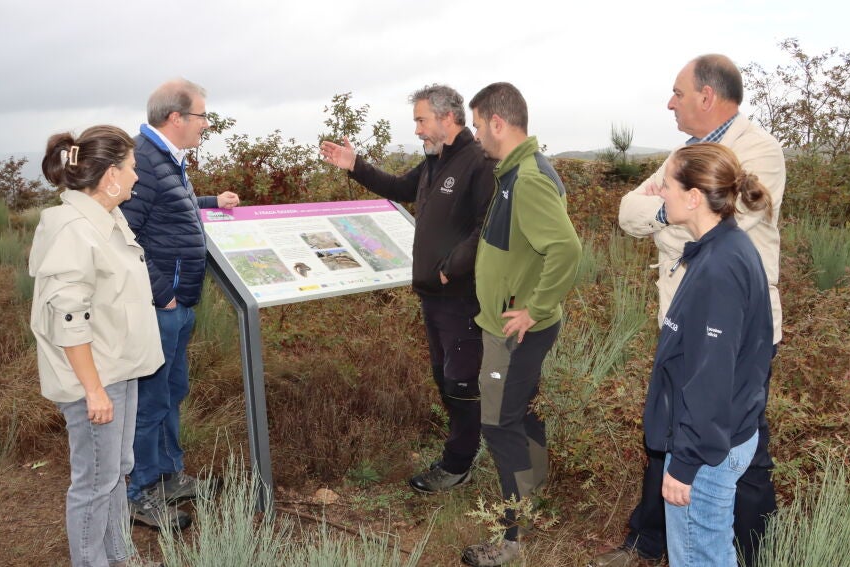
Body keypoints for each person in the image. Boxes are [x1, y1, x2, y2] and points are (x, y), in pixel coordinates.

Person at [591, 54, 784, 567]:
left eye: (678, 92)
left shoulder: (759, 150)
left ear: (707, 95)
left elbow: (729, 215)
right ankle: (655, 537)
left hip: (732, 326)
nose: (669, 102)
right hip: (686, 316)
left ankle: (748, 549)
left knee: (729, 444)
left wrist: (667, 209)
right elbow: (629, 214)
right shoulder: (687, 154)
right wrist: (664, 209)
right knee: (679, 435)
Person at [320, 85, 496, 493]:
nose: (417, 130)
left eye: (421, 120)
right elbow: (400, 188)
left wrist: (451, 270)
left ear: (448, 117)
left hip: (461, 296)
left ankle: (458, 464)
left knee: (461, 381)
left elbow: (485, 228)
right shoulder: (435, 161)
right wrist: (355, 165)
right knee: (445, 377)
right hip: (433, 296)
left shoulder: (478, 162)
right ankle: (464, 449)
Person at [30, 125, 165, 566]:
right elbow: (69, 318)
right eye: (130, 168)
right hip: (95, 378)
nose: (136, 177)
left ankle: (119, 556)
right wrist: (93, 390)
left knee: (116, 472)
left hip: (117, 366)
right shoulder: (72, 229)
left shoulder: (104, 218)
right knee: (93, 483)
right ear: (110, 176)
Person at [461, 82, 582, 567]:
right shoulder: (514, 172)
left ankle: (510, 541)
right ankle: (534, 493)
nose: (476, 136)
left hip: (514, 331)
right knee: (523, 411)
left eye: (476, 126)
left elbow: (566, 248)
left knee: (498, 423)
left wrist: (534, 307)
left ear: (497, 122)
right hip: (510, 324)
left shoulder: (527, 177)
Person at [643, 142, 774, 566]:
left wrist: (685, 463)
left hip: (707, 452)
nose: (661, 192)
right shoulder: (723, 249)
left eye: (667, 185)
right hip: (719, 438)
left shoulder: (720, 266)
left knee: (700, 556)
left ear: (694, 196)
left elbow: (711, 376)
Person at [119, 79, 240, 529]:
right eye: (202, 116)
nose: (205, 124)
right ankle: (139, 492)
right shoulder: (143, 161)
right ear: (176, 118)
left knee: (171, 391)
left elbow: (167, 209)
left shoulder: (164, 159)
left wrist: (210, 201)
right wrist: (162, 293)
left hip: (175, 304)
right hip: (160, 307)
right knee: (151, 399)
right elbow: (123, 235)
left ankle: (168, 475)